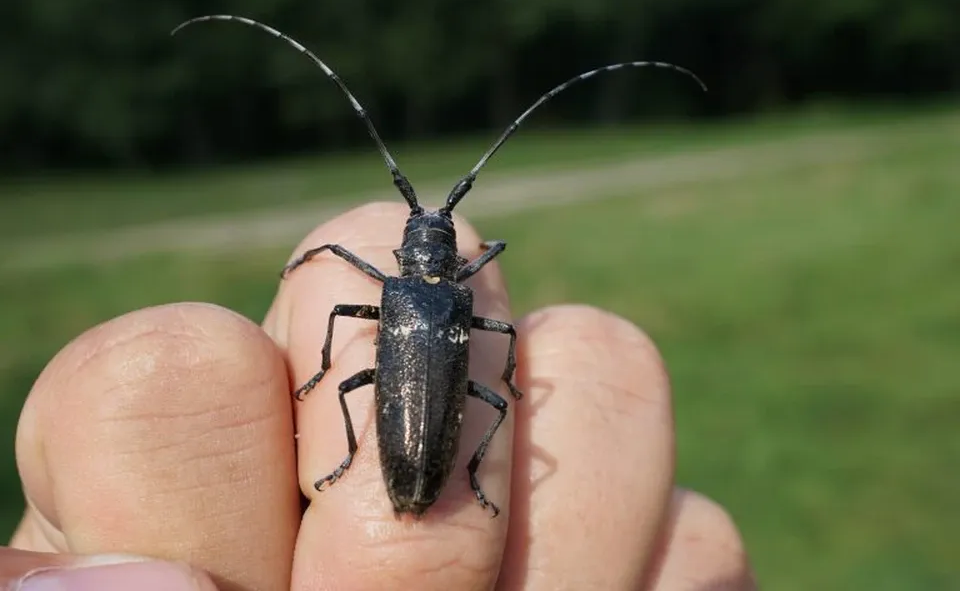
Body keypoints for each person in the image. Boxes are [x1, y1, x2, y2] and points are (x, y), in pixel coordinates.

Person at [3, 203, 756, 590]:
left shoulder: (393, 292)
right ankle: (447, 469)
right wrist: (510, 376)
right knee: (494, 401)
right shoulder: (459, 299)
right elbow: (491, 292)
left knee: (357, 375)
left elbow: (337, 282)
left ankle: (370, 458)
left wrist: (318, 356)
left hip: (407, 443)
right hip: (428, 440)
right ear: (446, 255)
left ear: (406, 252)